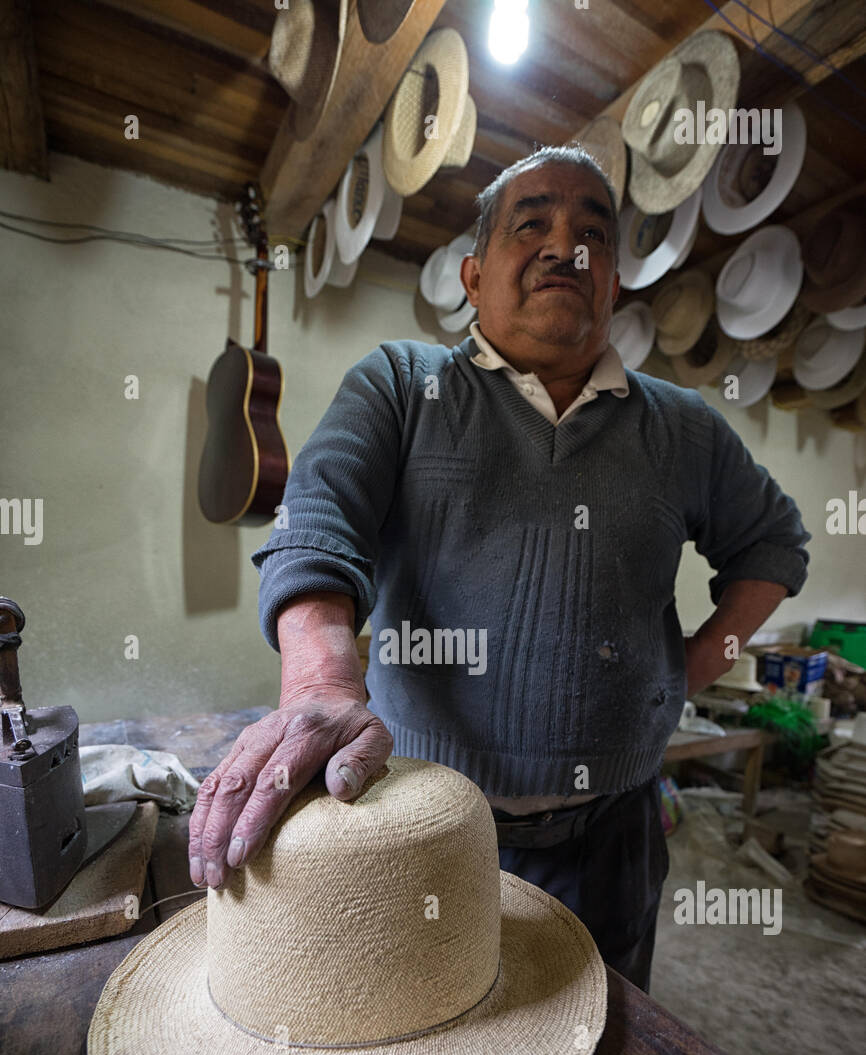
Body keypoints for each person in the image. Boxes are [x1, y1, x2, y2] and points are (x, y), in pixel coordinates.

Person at [188, 145, 810, 991]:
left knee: (605, 1040)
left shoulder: (684, 428)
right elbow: (313, 521)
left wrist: (697, 665)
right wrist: (321, 682)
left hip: (613, 838)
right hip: (425, 821)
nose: (566, 246)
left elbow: (773, 545)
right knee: (430, 1032)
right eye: (534, 223)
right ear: (474, 278)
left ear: (613, 285)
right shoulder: (402, 386)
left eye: (592, 231)